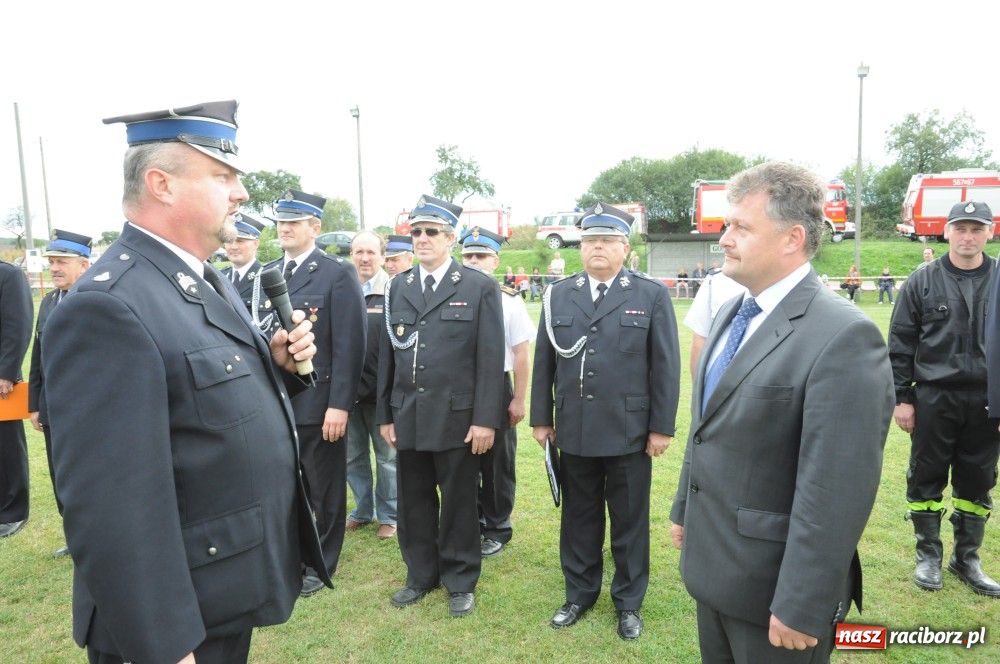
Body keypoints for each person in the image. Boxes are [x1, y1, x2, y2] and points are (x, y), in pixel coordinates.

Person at [44, 100, 327, 664]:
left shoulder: (197, 277)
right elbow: (112, 509)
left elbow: (193, 396)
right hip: (177, 621)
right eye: (222, 176)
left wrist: (274, 364)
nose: (241, 193)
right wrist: (165, 646)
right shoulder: (109, 306)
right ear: (161, 184)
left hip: (217, 591)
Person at [670, 162, 894, 663]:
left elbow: (836, 489)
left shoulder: (844, 336)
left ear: (793, 238)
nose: (724, 239)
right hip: (717, 569)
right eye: (727, 225)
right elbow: (707, 425)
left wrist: (802, 602)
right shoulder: (735, 310)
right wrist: (686, 505)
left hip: (775, 594)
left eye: (740, 228)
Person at [531, 203, 680, 641]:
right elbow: (544, 361)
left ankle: (629, 603)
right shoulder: (559, 294)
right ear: (581, 247)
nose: (597, 247)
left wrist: (661, 427)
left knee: (630, 520)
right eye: (591, 240)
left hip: (628, 431)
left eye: (608, 240)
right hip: (574, 428)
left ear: (625, 247)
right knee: (579, 517)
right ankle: (579, 593)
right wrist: (542, 418)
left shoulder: (649, 294)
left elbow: (666, 367)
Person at [377, 195, 504, 618]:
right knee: (412, 502)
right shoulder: (399, 285)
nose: (422, 239)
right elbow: (388, 354)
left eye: (432, 231)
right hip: (409, 413)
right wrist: (385, 414)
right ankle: (420, 575)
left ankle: (460, 579)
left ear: (451, 237)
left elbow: (490, 359)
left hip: (457, 415)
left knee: (459, 502)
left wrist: (486, 419)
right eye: (416, 232)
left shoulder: (478, 286)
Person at [264, 189, 367, 597]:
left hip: (318, 402)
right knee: (290, 486)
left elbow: (349, 345)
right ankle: (295, 555)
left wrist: (339, 405)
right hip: (278, 402)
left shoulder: (336, 272)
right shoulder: (270, 272)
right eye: (281, 221)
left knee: (323, 488)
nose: (285, 228)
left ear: (315, 227)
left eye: (294, 221)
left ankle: (320, 562)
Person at [895, 201, 1000, 598]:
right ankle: (928, 556)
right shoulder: (922, 280)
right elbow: (901, 343)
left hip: (988, 401)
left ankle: (966, 558)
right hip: (934, 398)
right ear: (947, 231)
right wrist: (902, 397)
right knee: (926, 476)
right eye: (961, 229)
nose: (968, 237)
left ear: (989, 232)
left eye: (977, 229)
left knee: (978, 480)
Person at [460, 227, 535, 558]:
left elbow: (520, 353)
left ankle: (498, 525)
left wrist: (518, 399)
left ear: (495, 260)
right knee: (462, 458)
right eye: (468, 256)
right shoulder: (454, 293)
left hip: (496, 384)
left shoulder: (508, 299)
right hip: (459, 388)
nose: (474, 261)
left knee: (497, 462)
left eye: (481, 256)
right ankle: (470, 520)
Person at [27, 229, 92, 556]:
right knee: (60, 474)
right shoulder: (51, 301)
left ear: (83, 264)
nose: (53, 268)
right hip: (53, 409)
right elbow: (38, 355)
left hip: (87, 410)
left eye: (61, 262)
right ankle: (75, 535)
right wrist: (35, 404)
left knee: (89, 474)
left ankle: (97, 534)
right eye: (51, 261)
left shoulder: (95, 297)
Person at [345, 231, 397, 540]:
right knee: (352, 457)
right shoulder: (342, 290)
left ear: (382, 256)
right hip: (348, 393)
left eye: (370, 252)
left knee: (388, 458)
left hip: (382, 394)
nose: (364, 258)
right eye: (358, 252)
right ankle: (362, 511)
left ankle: (389, 515)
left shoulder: (392, 292)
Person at [0, 254, 32, 540]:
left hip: (0, 379)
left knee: (6, 445)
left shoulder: (7, 275)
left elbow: (18, 324)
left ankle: (13, 511)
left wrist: (7, 371)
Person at [220, 211, 279, 337]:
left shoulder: (267, 279)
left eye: (240, 241)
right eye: (230, 241)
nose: (233, 246)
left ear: (256, 244)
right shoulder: (218, 277)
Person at [683, 265, 747, 375]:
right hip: (719, 380)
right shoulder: (715, 280)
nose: (723, 246)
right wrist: (698, 390)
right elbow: (700, 338)